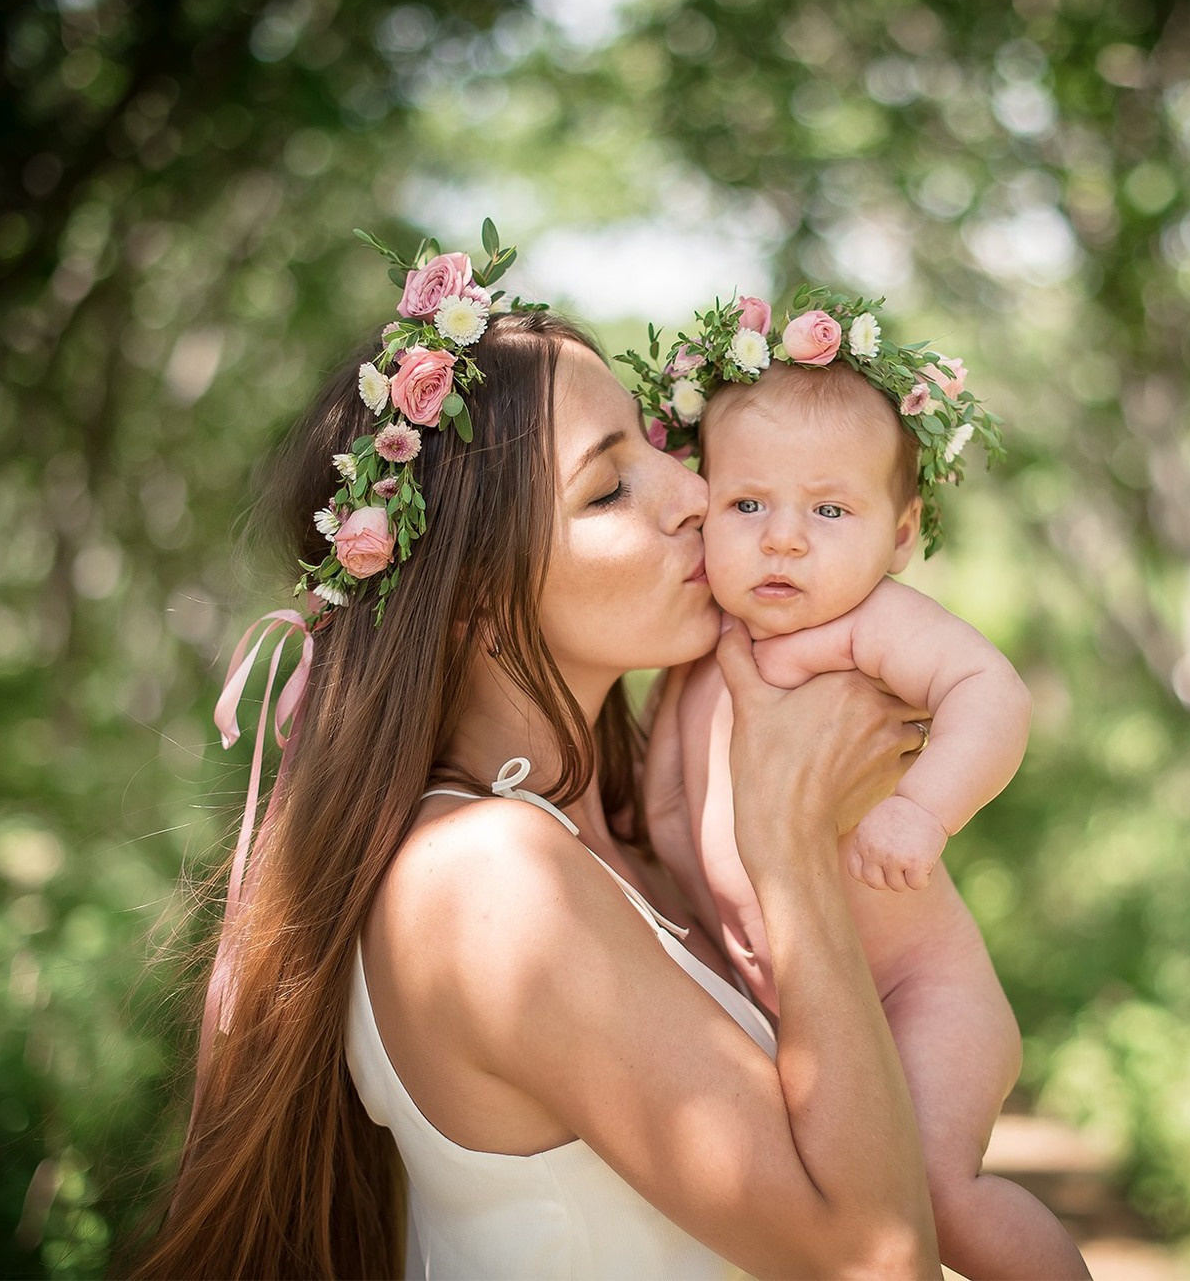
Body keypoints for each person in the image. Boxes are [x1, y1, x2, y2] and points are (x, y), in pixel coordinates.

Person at [132, 229, 940, 1279]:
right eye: (608, 490)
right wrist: (786, 845)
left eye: (653, 447)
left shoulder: (628, 838)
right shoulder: (489, 879)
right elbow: (876, 1259)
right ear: (471, 590)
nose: (694, 493)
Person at [626, 292, 1091, 1280]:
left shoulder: (869, 623)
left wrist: (923, 809)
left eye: (829, 510)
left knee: (936, 1200)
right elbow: (665, 803)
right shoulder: (697, 648)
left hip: (919, 992)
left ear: (901, 531)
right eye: (748, 504)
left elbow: (990, 693)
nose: (784, 539)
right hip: (794, 1001)